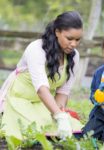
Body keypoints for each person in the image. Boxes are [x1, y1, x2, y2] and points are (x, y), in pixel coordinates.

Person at [0, 11, 83, 140]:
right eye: (69, 38)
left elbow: (63, 91)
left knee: (73, 128)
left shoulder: (74, 56)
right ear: (57, 32)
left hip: (42, 103)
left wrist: (58, 114)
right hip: (20, 100)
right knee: (36, 131)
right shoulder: (37, 49)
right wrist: (59, 116)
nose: (74, 44)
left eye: (77, 40)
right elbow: (41, 89)